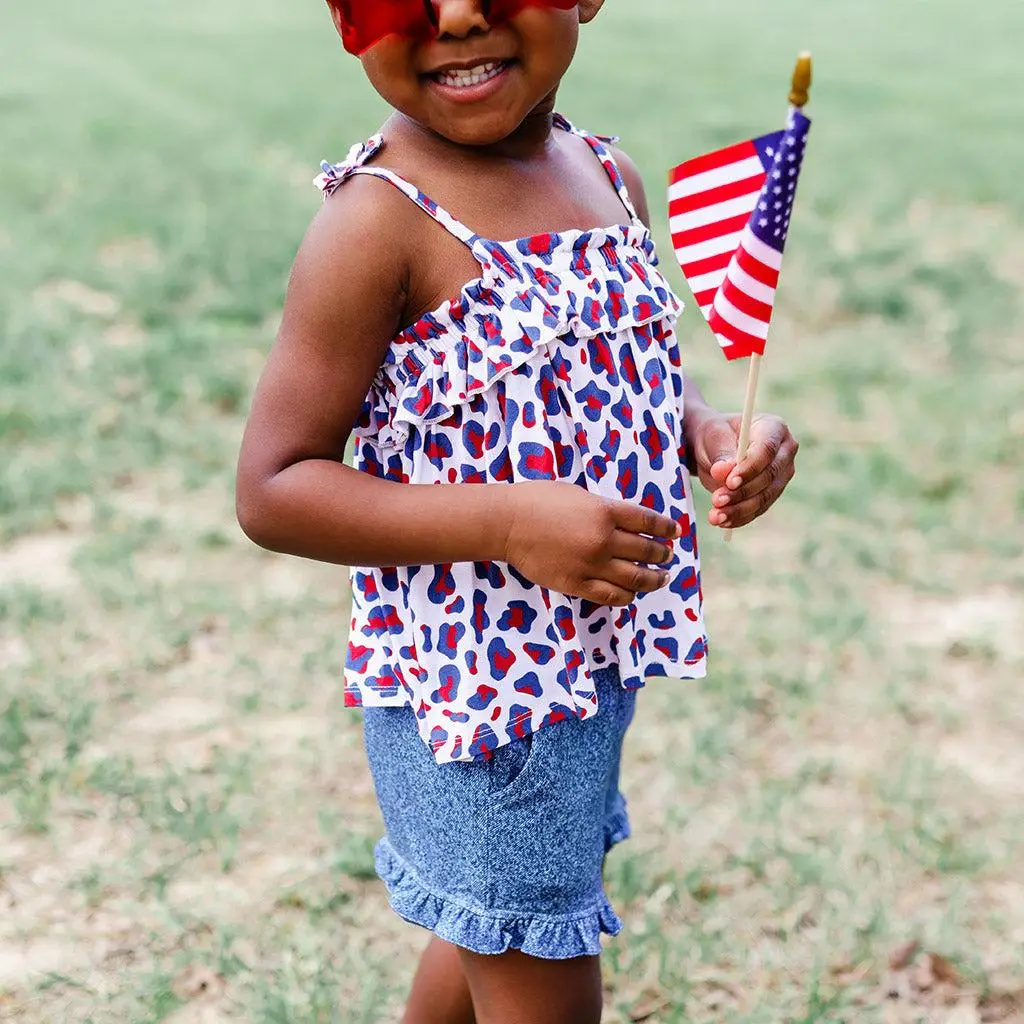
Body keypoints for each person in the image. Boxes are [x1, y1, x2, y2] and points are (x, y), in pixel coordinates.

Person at [235, 2, 799, 1021]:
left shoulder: (605, 174)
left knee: (485, 921)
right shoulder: (379, 220)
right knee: (527, 936)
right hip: (481, 699)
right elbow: (275, 487)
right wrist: (502, 524)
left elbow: (614, 373)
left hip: (581, 665)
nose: (454, 13)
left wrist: (708, 430)